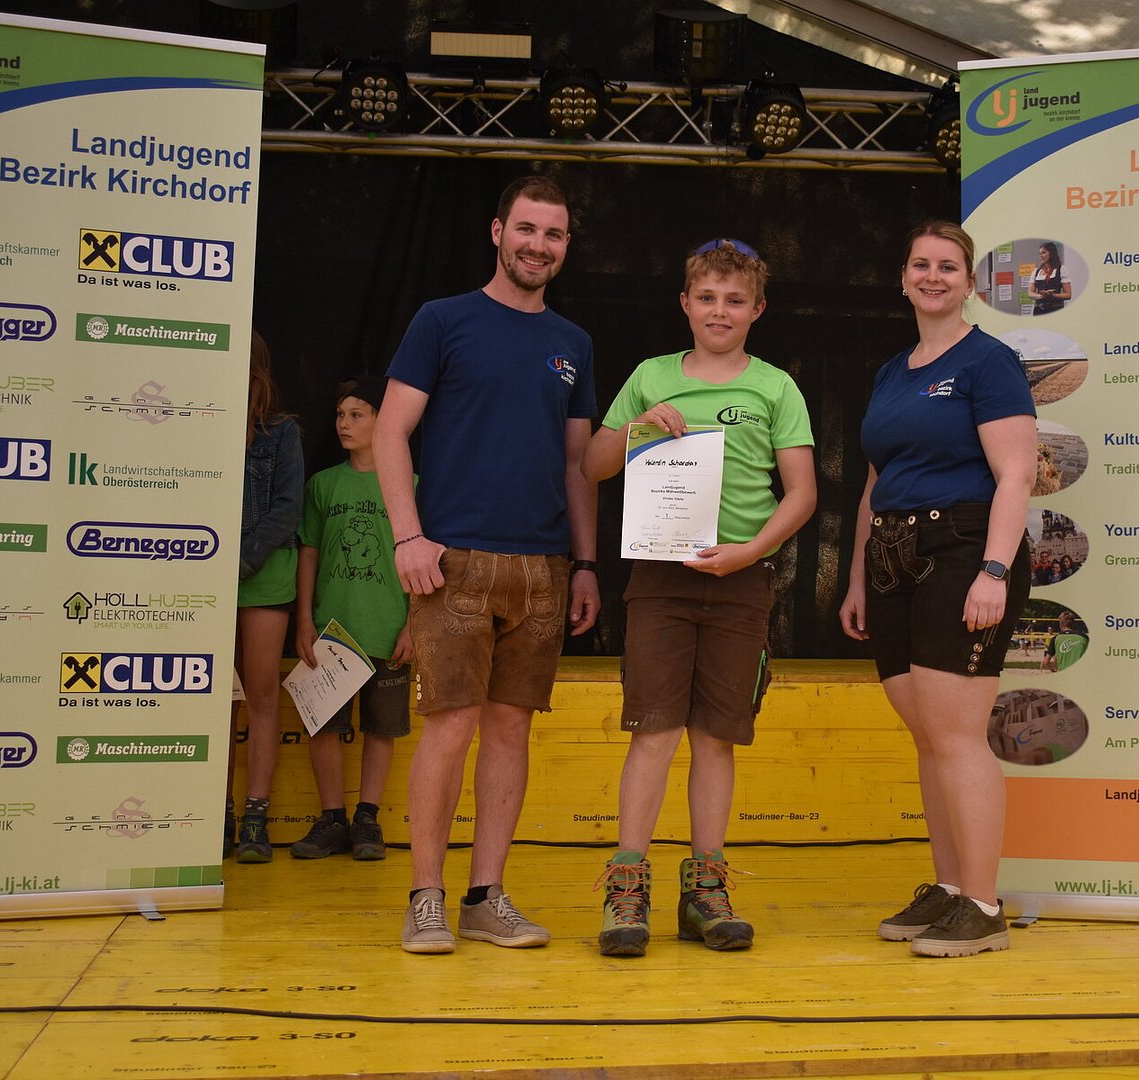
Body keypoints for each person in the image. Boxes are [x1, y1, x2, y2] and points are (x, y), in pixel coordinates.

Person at [376, 175, 600, 954]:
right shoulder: (443, 320)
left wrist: (584, 563)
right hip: (452, 563)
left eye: (554, 234)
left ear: (565, 246)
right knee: (449, 729)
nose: (539, 245)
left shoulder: (573, 343)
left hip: (542, 569)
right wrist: (408, 537)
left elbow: (577, 465)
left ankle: (485, 897)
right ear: (497, 231)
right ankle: (425, 898)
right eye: (527, 229)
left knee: (510, 731)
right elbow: (389, 432)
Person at [582, 239, 815, 958]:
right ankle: (627, 887)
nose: (720, 311)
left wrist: (751, 551)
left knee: (716, 735)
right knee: (653, 730)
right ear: (684, 303)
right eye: (707, 298)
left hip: (740, 580)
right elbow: (592, 464)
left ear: (758, 310)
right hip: (660, 577)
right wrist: (638, 428)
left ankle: (705, 890)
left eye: (735, 300)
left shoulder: (776, 387)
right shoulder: (651, 377)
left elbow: (802, 493)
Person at [840, 221, 1037, 957]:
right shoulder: (893, 371)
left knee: (956, 734)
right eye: (920, 264)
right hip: (892, 554)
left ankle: (983, 907)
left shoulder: (989, 361)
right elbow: (876, 481)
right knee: (928, 734)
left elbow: (1016, 474)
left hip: (962, 547)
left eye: (948, 266)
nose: (933, 276)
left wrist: (994, 570)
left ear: (970, 282)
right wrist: (857, 576)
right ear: (903, 278)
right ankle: (951, 888)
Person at [290, 376, 414, 861]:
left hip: (388, 629)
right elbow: (308, 554)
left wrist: (413, 625)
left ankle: (367, 819)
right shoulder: (323, 484)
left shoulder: (412, 485)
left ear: (384, 420)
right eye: (340, 415)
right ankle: (331, 819)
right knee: (324, 726)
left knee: (381, 729)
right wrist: (303, 620)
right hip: (331, 633)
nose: (344, 423)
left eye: (357, 414)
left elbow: (426, 562)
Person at [231, 332, 304, 863]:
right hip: (204, 577)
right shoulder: (195, 421)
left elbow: (287, 508)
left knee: (260, 696)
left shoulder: (282, 431)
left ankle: (255, 817)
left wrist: (241, 560)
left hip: (264, 574)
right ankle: (213, 813)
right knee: (213, 698)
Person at [1026, 241, 1071, 313]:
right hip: (1039, 310)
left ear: (1052, 253)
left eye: (1043, 253)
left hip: (1055, 309)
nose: (1041, 255)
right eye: (1040, 254)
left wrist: (1053, 295)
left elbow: (1068, 295)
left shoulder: (1061, 270)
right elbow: (1030, 293)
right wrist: (1041, 296)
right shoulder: (1036, 271)